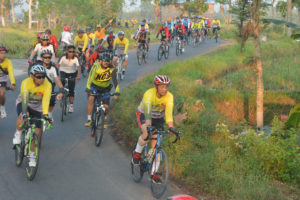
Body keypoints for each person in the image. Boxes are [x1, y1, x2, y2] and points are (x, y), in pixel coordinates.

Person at [132, 75, 174, 184]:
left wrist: (171, 128)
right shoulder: (149, 94)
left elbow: (168, 115)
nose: (164, 89)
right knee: (146, 134)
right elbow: (147, 114)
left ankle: (153, 173)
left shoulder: (169, 97)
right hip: (144, 115)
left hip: (158, 118)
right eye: (162, 87)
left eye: (166, 87)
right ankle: (136, 155)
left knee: (157, 147)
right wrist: (149, 126)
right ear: (156, 86)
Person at [13, 64, 52, 167]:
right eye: (39, 76)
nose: (42, 79)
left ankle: (32, 156)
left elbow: (46, 100)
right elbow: (25, 99)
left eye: (43, 76)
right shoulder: (26, 82)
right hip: (24, 103)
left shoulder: (48, 85)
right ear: (32, 76)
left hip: (37, 108)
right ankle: (18, 134)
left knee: (37, 132)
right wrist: (25, 112)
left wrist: (45, 115)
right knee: (23, 115)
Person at [85, 52, 120, 127]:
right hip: (94, 87)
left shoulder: (112, 69)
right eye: (104, 60)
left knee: (106, 106)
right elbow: (90, 78)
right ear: (101, 61)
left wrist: (117, 92)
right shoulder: (96, 66)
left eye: (108, 60)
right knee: (91, 98)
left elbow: (115, 82)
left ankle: (105, 119)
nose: (106, 62)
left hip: (105, 89)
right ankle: (89, 119)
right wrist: (88, 88)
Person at [40, 49, 64, 120]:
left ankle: (49, 113)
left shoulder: (53, 68)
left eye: (49, 57)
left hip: (50, 87)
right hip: (39, 87)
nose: (47, 59)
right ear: (42, 58)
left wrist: (61, 89)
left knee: (52, 100)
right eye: (45, 57)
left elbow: (57, 79)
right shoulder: (38, 66)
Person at [57, 45, 81, 113]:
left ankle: (71, 106)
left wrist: (78, 76)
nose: (71, 53)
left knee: (71, 90)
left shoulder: (76, 58)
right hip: (63, 72)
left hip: (73, 73)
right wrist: (56, 74)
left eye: (73, 52)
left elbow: (79, 67)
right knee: (61, 82)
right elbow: (57, 65)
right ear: (67, 51)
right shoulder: (62, 56)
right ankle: (61, 93)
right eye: (70, 51)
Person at [0, 45, 16, 118]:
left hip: (3, 80)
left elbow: (11, 73)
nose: (3, 55)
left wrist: (13, 83)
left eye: (4, 53)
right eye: (1, 53)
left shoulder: (8, 62)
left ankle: (2, 109)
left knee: (2, 93)